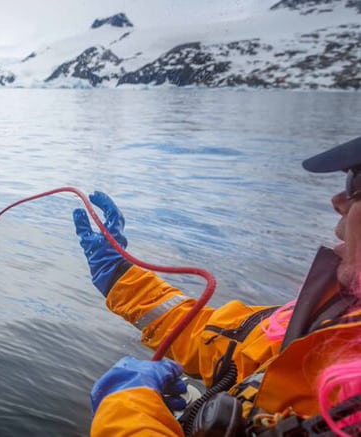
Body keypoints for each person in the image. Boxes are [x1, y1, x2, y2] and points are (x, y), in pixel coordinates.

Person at [72, 136, 361, 436]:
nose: (338, 201)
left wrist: (125, 409)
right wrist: (118, 274)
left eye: (356, 183)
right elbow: (217, 338)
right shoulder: (335, 317)